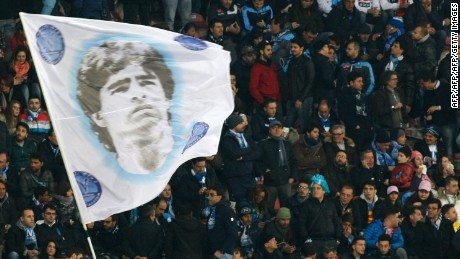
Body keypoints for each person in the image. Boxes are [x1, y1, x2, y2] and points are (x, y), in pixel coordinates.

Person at [76, 41, 174, 174]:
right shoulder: (99, 172)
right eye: (121, 88)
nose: (139, 95)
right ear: (98, 115)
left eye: (146, 83)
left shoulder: (188, 155)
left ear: (167, 99)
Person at [257, 120, 297, 214]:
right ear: (269, 130)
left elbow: (293, 161)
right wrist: (265, 172)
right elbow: (258, 161)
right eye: (274, 128)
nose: (277, 130)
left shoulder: (287, 144)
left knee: (286, 207)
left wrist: (293, 176)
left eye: (279, 127)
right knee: (268, 207)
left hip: (285, 180)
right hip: (270, 182)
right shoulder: (263, 144)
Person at [220, 114, 260, 201]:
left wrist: (244, 158)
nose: (244, 125)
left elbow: (258, 152)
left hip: (249, 175)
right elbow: (235, 153)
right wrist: (250, 149)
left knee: (252, 201)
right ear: (233, 125)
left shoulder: (246, 137)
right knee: (239, 203)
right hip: (235, 178)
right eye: (240, 123)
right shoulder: (227, 139)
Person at [299, 174, 341, 254]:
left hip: (330, 240)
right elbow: (301, 223)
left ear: (324, 190)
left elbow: (336, 222)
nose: (315, 190)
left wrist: (338, 239)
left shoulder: (331, 204)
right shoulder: (306, 204)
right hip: (313, 240)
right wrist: (306, 238)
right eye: (313, 188)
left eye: (318, 188)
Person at [419, 71, 457, 158]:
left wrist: (438, 107)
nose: (422, 85)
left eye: (423, 83)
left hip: (448, 124)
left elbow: (454, 107)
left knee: (449, 148)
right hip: (433, 124)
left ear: (429, 80)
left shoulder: (449, 87)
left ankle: (449, 169)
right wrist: (427, 115)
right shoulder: (426, 92)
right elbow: (425, 108)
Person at [337, 71, 373, 150]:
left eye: (362, 81)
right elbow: (343, 114)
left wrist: (370, 125)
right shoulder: (344, 95)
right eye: (359, 81)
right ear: (351, 82)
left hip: (366, 128)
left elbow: (368, 111)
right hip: (354, 130)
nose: (362, 84)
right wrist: (354, 125)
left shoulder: (363, 95)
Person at [285, 37, 314, 132]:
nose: (292, 49)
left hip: (304, 99)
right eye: (292, 47)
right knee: (288, 125)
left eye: (295, 47)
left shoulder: (307, 62)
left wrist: (301, 99)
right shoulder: (292, 61)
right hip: (291, 98)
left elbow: (310, 81)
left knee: (304, 125)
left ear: (302, 48)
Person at [205, 186, 239, 259]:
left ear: (220, 196)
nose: (208, 197)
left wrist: (222, 250)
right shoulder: (214, 209)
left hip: (222, 253)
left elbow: (233, 233)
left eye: (212, 195)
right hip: (213, 251)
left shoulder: (227, 211)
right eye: (208, 195)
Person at [250, 41, 281, 106]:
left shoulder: (272, 65)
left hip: (276, 101)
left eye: (271, 50)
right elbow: (253, 88)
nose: (271, 52)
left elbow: (276, 82)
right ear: (261, 51)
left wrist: (278, 99)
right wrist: (263, 101)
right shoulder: (256, 68)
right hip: (265, 102)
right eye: (268, 50)